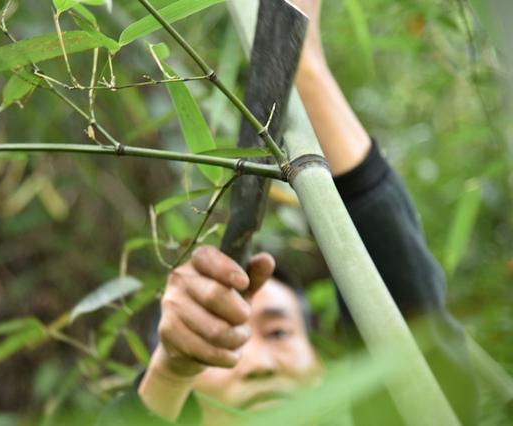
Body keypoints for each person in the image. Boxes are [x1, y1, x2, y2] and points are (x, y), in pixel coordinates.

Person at [97, 0, 479, 424]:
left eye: (279, 332)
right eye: (227, 344)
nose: (260, 365)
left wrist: (307, 70)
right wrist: (169, 373)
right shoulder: (170, 385)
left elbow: (419, 348)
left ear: (322, 371)